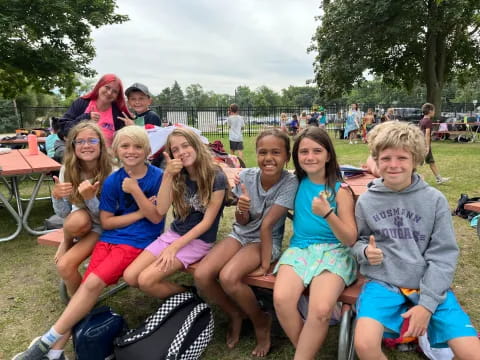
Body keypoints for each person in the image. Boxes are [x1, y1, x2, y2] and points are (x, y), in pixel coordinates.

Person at [13, 126, 165, 360]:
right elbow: (105, 221)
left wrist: (134, 195)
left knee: (91, 284)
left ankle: (47, 341)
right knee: (87, 285)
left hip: (133, 240)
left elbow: (154, 216)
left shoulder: (143, 175)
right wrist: (59, 196)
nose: (131, 151)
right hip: (107, 234)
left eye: (137, 147)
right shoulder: (114, 178)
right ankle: (56, 350)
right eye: (125, 146)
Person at [352, 121, 480, 360]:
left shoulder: (435, 200)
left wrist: (427, 305)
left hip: (428, 285)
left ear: (416, 160)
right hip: (383, 283)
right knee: (364, 344)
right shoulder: (367, 200)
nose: (393, 165)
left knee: (473, 353)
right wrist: (364, 253)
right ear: (376, 160)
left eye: (402, 158)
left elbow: (443, 255)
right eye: (386, 158)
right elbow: (357, 241)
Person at [194, 128, 298, 357]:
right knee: (202, 275)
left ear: (287, 157)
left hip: (265, 241)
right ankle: (234, 313)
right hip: (241, 234)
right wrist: (242, 209)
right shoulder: (248, 177)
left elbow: (267, 226)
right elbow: (243, 221)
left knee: (229, 277)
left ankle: (261, 321)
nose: (268, 158)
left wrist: (263, 264)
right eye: (262, 152)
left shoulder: (290, 182)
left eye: (276, 152)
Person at [273, 127, 357, 359]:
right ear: (297, 157)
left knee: (320, 310)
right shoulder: (295, 182)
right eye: (304, 152)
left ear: (328, 155)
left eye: (317, 151)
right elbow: (266, 171)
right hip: (300, 248)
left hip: (335, 251)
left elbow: (350, 238)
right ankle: (306, 351)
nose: (310, 157)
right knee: (281, 300)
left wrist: (328, 213)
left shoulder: (340, 191)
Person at [123, 127, 228, 299]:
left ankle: (190, 300)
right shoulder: (178, 175)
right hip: (174, 234)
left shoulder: (215, 176)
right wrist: (168, 176)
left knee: (146, 280)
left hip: (198, 241)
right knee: (131, 277)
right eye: (175, 150)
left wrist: (174, 247)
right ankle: (186, 295)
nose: (182, 152)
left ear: (196, 146)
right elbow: (162, 209)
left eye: (186, 146)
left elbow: (207, 223)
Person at [51, 122, 114, 297]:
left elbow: (108, 219)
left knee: (65, 264)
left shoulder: (112, 171)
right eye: (80, 142)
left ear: (101, 144)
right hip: (82, 222)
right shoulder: (68, 169)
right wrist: (56, 196)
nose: (86, 145)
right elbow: (63, 213)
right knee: (75, 221)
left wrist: (90, 198)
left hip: (106, 226)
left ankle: (80, 308)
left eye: (92, 140)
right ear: (73, 145)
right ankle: (67, 241)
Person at [58, 74, 131, 147]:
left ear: (117, 96)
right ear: (99, 85)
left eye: (115, 91)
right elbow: (63, 130)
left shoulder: (119, 113)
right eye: (107, 87)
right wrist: (86, 118)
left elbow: (125, 142)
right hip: (80, 154)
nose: (109, 93)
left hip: (107, 156)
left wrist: (131, 128)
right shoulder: (81, 103)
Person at [419, 103, 449, 184]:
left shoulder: (421, 120)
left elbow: (421, 132)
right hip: (425, 145)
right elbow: (427, 134)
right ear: (430, 111)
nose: (434, 112)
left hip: (420, 143)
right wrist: (427, 146)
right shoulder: (428, 121)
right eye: (434, 110)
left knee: (431, 162)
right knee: (418, 162)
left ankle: (439, 178)